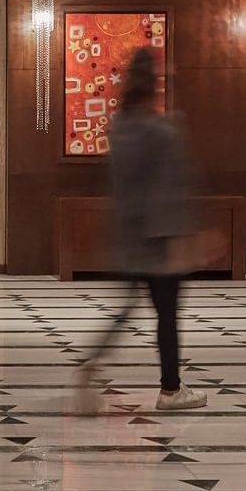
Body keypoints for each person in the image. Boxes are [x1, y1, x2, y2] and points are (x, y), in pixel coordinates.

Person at [73, 46, 209, 412]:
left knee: (126, 309)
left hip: (128, 236)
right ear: (156, 82)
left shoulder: (120, 127)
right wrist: (184, 239)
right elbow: (172, 189)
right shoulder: (164, 129)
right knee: (167, 314)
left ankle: (91, 363)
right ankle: (171, 390)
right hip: (160, 239)